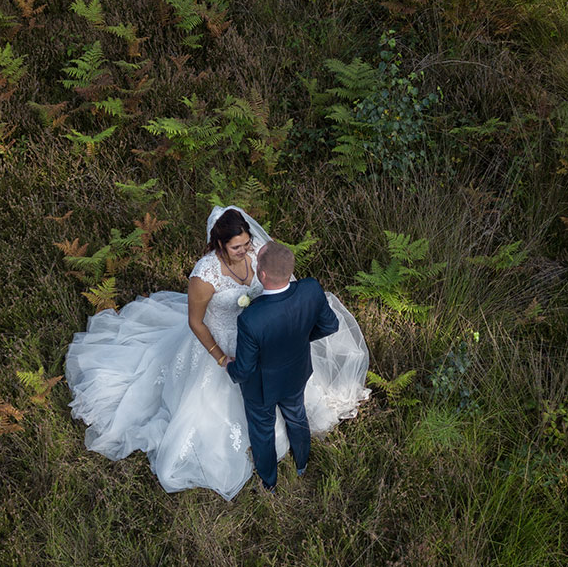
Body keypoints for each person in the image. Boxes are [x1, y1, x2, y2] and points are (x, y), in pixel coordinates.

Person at [63, 205, 370, 500]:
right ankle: (279, 475)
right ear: (219, 244)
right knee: (265, 413)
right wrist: (221, 357)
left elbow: (278, 290)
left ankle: (284, 474)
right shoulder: (203, 276)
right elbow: (195, 322)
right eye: (237, 247)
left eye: (248, 243)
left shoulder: (258, 257)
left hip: (263, 337)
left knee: (281, 414)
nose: (246, 251)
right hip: (221, 340)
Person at [226, 241, 338, 491]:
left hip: (261, 388)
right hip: (296, 373)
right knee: (297, 416)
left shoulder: (250, 319)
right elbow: (331, 325)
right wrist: (299, 339)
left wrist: (227, 366)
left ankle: (269, 483)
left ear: (262, 275)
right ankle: (302, 464)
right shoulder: (310, 289)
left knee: (262, 431)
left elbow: (243, 370)